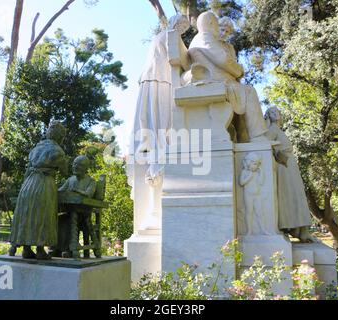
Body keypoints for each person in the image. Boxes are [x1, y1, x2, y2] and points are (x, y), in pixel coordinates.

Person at [182, 11, 268, 142]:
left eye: (227, 32)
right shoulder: (205, 37)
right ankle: (258, 137)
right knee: (249, 91)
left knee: (244, 92)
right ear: (211, 23)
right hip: (215, 81)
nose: (220, 31)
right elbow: (223, 60)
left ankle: (246, 140)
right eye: (218, 26)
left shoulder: (204, 38)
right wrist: (239, 71)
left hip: (218, 80)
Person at [131, 14, 190, 184]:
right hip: (161, 79)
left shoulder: (158, 36)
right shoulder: (171, 36)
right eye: (181, 27)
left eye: (184, 29)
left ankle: (153, 146)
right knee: (162, 119)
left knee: (150, 117)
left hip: (149, 80)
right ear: (175, 24)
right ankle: (160, 149)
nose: (181, 31)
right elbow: (181, 58)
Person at [9, 121, 67, 259]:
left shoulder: (36, 148)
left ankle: (26, 249)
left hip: (28, 183)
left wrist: (24, 186)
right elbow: (65, 171)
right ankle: (40, 249)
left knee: (27, 214)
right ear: (60, 137)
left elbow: (28, 169)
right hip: (44, 183)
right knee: (42, 214)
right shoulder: (58, 151)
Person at [264, 107, 316, 242]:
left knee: (297, 195)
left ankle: (300, 230)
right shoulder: (273, 130)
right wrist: (277, 153)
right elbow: (264, 144)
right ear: (269, 116)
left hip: (289, 164)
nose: (277, 114)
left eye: (278, 112)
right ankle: (297, 229)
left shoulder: (279, 130)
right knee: (292, 196)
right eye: (273, 112)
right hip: (284, 165)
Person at [239, 153, 269, 235]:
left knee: (260, 212)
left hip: (257, 195)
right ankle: (249, 231)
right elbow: (241, 182)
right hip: (248, 195)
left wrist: (261, 171)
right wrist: (249, 177)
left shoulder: (256, 173)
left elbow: (261, 182)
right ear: (249, 163)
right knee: (249, 212)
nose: (256, 166)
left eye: (257, 164)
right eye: (254, 164)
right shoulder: (245, 172)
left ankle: (263, 229)